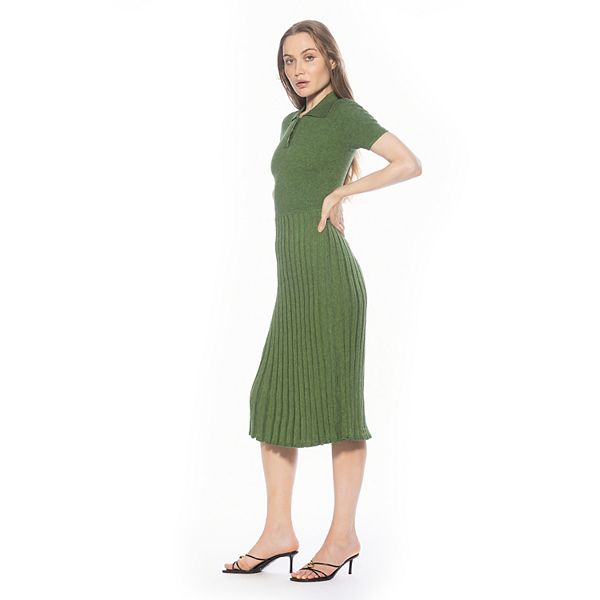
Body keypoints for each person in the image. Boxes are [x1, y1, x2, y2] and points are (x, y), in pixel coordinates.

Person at [223, 20, 422, 582]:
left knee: (339, 407)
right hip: (294, 287)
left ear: (331, 60)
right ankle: (278, 531)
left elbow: (408, 162)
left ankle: (342, 537)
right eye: (289, 61)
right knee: (271, 402)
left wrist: (342, 192)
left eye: (309, 56)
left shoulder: (345, 115)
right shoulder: (292, 122)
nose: (298, 69)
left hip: (332, 283)